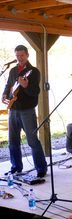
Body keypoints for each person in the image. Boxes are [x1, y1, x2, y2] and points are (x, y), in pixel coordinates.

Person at [2, 45, 47, 178]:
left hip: (27, 111)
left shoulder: (34, 72)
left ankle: (41, 168)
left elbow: (35, 92)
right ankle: (16, 167)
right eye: (17, 56)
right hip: (13, 110)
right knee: (13, 141)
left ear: (27, 55)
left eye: (22, 55)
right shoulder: (13, 70)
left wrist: (26, 86)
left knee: (32, 141)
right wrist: (4, 94)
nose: (19, 58)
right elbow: (8, 85)